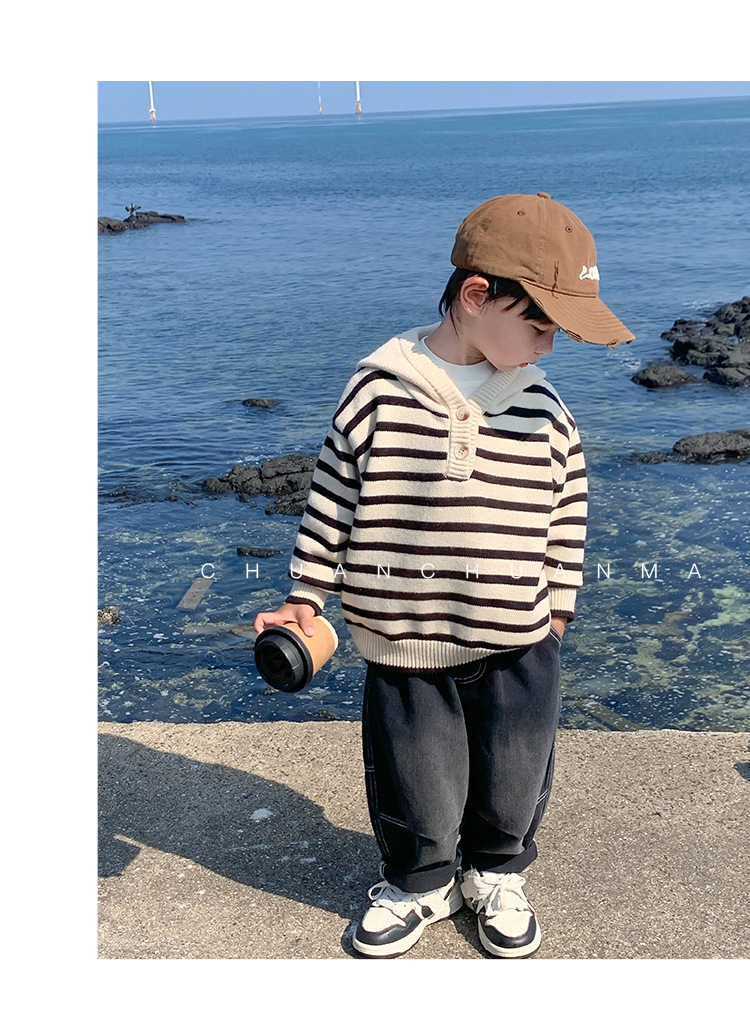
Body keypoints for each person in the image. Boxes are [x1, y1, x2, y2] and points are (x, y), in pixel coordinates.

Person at [253, 192, 634, 958]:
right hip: (405, 638)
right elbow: (332, 500)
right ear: (476, 295)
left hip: (519, 641)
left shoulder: (546, 411)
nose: (549, 347)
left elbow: (567, 510)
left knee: (514, 777)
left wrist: (558, 612)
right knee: (413, 778)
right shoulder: (378, 392)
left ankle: (496, 871)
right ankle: (420, 880)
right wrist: (305, 595)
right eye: (540, 325)